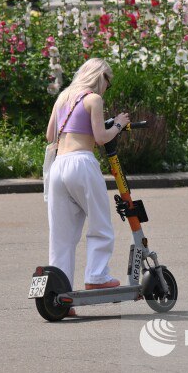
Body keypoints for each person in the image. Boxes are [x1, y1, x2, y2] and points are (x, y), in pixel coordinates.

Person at [43, 58, 130, 317]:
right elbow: (102, 138)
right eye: (108, 82)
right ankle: (96, 275)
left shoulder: (63, 97)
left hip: (58, 166)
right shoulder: (93, 99)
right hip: (82, 162)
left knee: (61, 237)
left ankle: (58, 294)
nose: (107, 87)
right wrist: (119, 124)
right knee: (100, 222)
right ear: (99, 76)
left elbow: (50, 136)